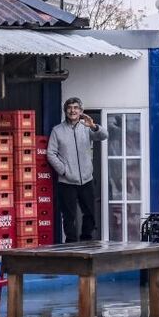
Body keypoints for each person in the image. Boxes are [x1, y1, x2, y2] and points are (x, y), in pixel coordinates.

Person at [47, 97, 108, 242]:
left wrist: (93, 126)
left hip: (86, 179)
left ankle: (86, 240)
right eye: (69, 108)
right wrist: (64, 171)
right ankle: (71, 242)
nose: (72, 110)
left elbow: (104, 135)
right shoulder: (57, 131)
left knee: (90, 213)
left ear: (81, 111)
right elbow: (51, 153)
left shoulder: (87, 128)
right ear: (65, 111)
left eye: (75, 108)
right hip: (66, 182)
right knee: (69, 215)